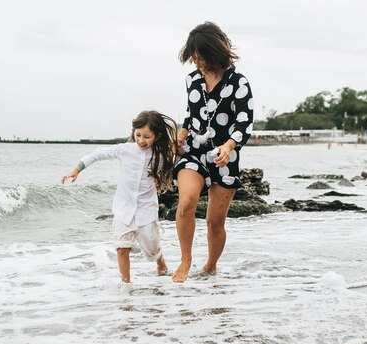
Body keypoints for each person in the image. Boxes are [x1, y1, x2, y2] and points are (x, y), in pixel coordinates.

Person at [172, 22, 254, 283]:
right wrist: (182, 134)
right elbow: (192, 114)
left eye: (201, 56)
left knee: (214, 223)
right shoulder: (192, 81)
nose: (197, 62)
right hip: (194, 151)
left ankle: (210, 267)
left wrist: (229, 147)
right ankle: (185, 261)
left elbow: (244, 122)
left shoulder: (239, 83)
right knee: (185, 204)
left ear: (216, 52)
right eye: (193, 57)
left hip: (224, 156)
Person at [61, 110, 177, 283]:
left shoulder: (161, 156)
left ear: (157, 136)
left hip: (146, 209)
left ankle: (159, 259)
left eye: (146, 136)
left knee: (151, 247)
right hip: (123, 208)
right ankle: (126, 285)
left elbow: (180, 161)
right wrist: (77, 169)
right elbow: (98, 154)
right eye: (138, 135)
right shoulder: (124, 150)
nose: (141, 140)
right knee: (122, 248)